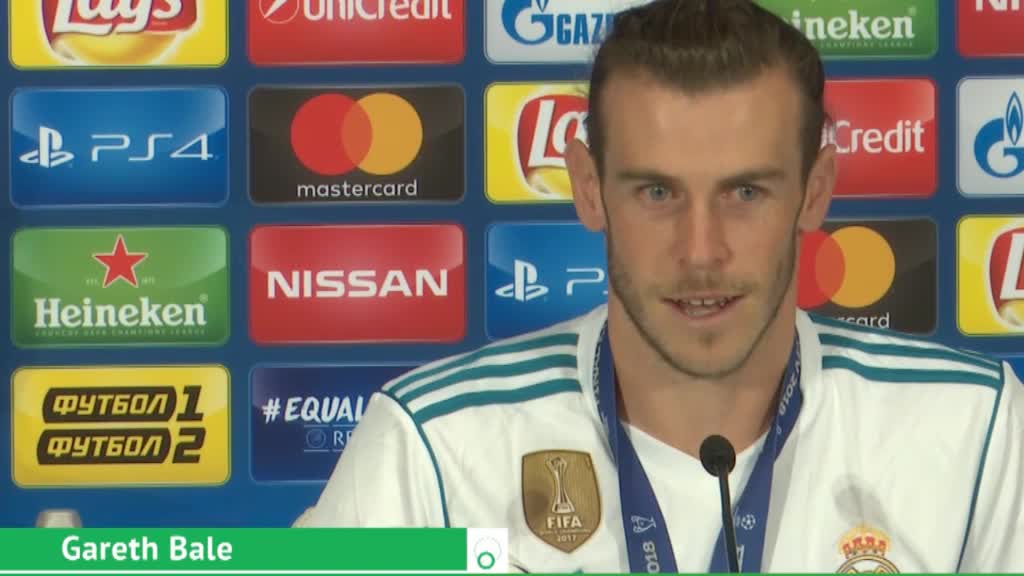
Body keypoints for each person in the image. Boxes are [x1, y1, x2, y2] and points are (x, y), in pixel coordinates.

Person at [297, 0, 1024, 572]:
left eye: (745, 192)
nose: (700, 252)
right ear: (589, 189)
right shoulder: (432, 447)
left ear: (815, 191)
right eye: (656, 193)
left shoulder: (976, 430)